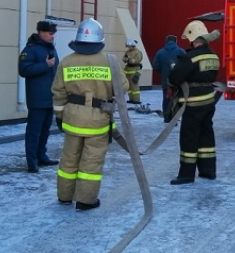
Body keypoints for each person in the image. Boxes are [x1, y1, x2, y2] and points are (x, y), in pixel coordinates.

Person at [51, 18, 128, 211]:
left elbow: (58, 92)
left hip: (72, 118)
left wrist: (59, 116)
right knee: (91, 161)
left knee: (69, 158)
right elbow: (122, 88)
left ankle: (65, 196)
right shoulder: (109, 61)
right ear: (100, 39)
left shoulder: (66, 62)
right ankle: (86, 200)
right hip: (98, 119)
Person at [168, 20, 221, 185]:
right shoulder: (213, 55)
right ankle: (208, 171)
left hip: (192, 103)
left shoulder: (191, 56)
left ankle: (186, 174)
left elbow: (175, 78)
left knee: (189, 137)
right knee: (206, 136)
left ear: (193, 38)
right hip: (208, 101)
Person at [18, 20, 60, 173]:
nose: (52, 36)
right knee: (34, 131)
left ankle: (42, 156)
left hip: (50, 98)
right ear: (41, 33)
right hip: (37, 98)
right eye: (50, 33)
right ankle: (32, 162)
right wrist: (45, 65)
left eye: (53, 34)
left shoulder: (50, 48)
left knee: (45, 130)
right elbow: (23, 70)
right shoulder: (31, 49)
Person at [152, 34, 186, 122]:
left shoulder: (160, 52)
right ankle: (175, 116)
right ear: (176, 42)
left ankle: (166, 117)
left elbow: (155, 66)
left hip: (166, 81)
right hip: (178, 81)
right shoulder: (181, 52)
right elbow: (187, 64)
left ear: (166, 41)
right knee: (178, 98)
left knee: (166, 98)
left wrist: (163, 71)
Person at [122, 39, 144, 104]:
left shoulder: (138, 52)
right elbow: (124, 59)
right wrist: (125, 59)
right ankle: (131, 98)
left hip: (134, 70)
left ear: (132, 45)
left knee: (134, 86)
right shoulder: (127, 52)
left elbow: (137, 60)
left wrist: (129, 60)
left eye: (129, 46)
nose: (128, 47)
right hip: (128, 70)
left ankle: (136, 100)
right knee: (129, 86)